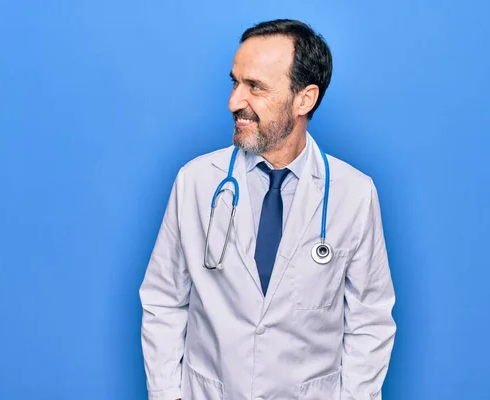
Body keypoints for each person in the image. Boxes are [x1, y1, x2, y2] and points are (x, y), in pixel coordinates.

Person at [139, 19, 396, 400]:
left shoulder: (354, 194)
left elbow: (370, 320)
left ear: (304, 99)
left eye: (255, 87)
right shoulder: (196, 181)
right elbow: (163, 300)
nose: (233, 102)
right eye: (235, 82)